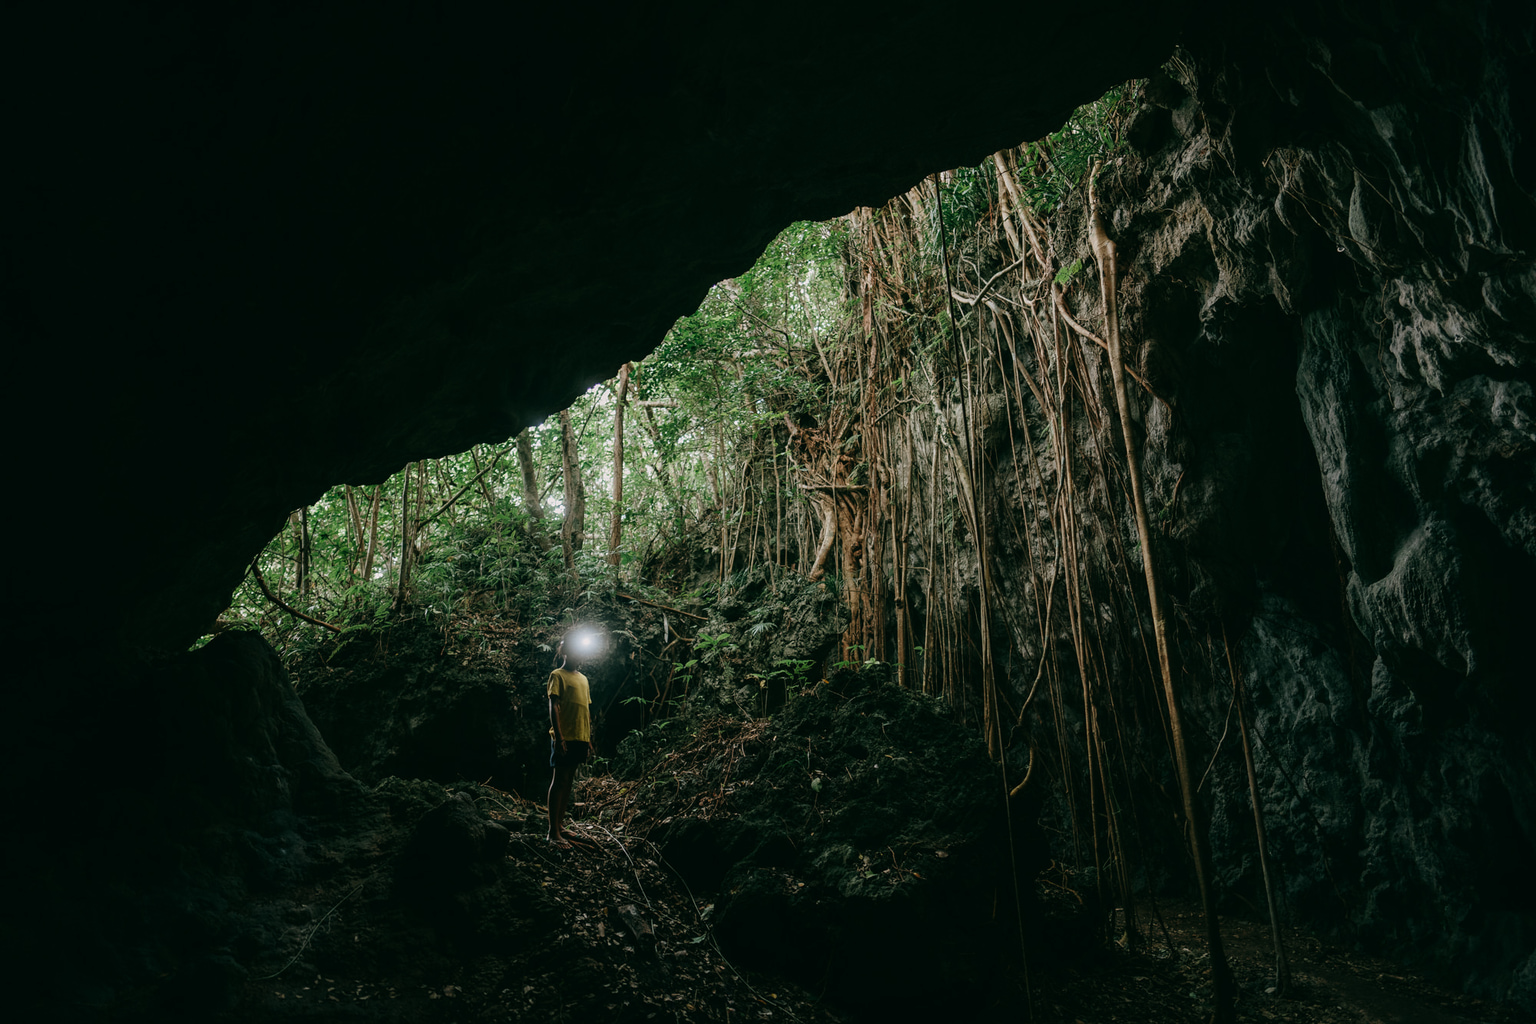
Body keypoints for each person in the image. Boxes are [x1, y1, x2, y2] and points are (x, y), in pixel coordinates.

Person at [546, 636, 594, 849]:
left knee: (568, 782)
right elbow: (554, 706)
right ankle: (552, 832)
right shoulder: (557, 675)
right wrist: (559, 737)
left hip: (580, 737)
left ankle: (560, 824)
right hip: (564, 737)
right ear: (565, 652)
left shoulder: (584, 679)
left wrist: (588, 738)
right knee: (559, 780)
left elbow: (586, 709)